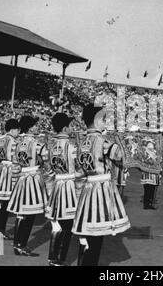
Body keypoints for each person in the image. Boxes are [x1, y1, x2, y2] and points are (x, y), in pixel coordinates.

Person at [72, 103, 131, 266]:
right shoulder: (101, 141)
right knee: (97, 236)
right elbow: (121, 156)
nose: (105, 122)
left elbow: (78, 174)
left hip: (87, 190)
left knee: (86, 234)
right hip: (100, 191)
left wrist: (79, 195)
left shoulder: (82, 143)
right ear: (97, 120)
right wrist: (121, 140)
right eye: (103, 119)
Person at [44, 112, 83, 266]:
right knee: (67, 225)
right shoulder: (72, 147)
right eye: (71, 126)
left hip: (56, 186)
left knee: (57, 223)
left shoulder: (51, 146)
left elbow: (48, 171)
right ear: (66, 128)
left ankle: (53, 257)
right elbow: (80, 170)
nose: (72, 128)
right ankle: (57, 258)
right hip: (69, 187)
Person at [7, 116, 48, 257]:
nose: (37, 127)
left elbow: (15, 166)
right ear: (30, 127)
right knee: (29, 214)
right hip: (33, 179)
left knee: (21, 213)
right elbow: (46, 162)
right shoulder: (37, 144)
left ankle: (18, 244)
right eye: (35, 125)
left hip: (21, 180)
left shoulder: (17, 144)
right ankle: (20, 245)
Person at [0, 119, 21, 240]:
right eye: (18, 130)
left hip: (1, 170)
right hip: (10, 171)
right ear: (13, 129)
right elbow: (16, 160)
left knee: (1, 203)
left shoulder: (0, 140)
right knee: (5, 203)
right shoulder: (14, 142)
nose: (18, 132)